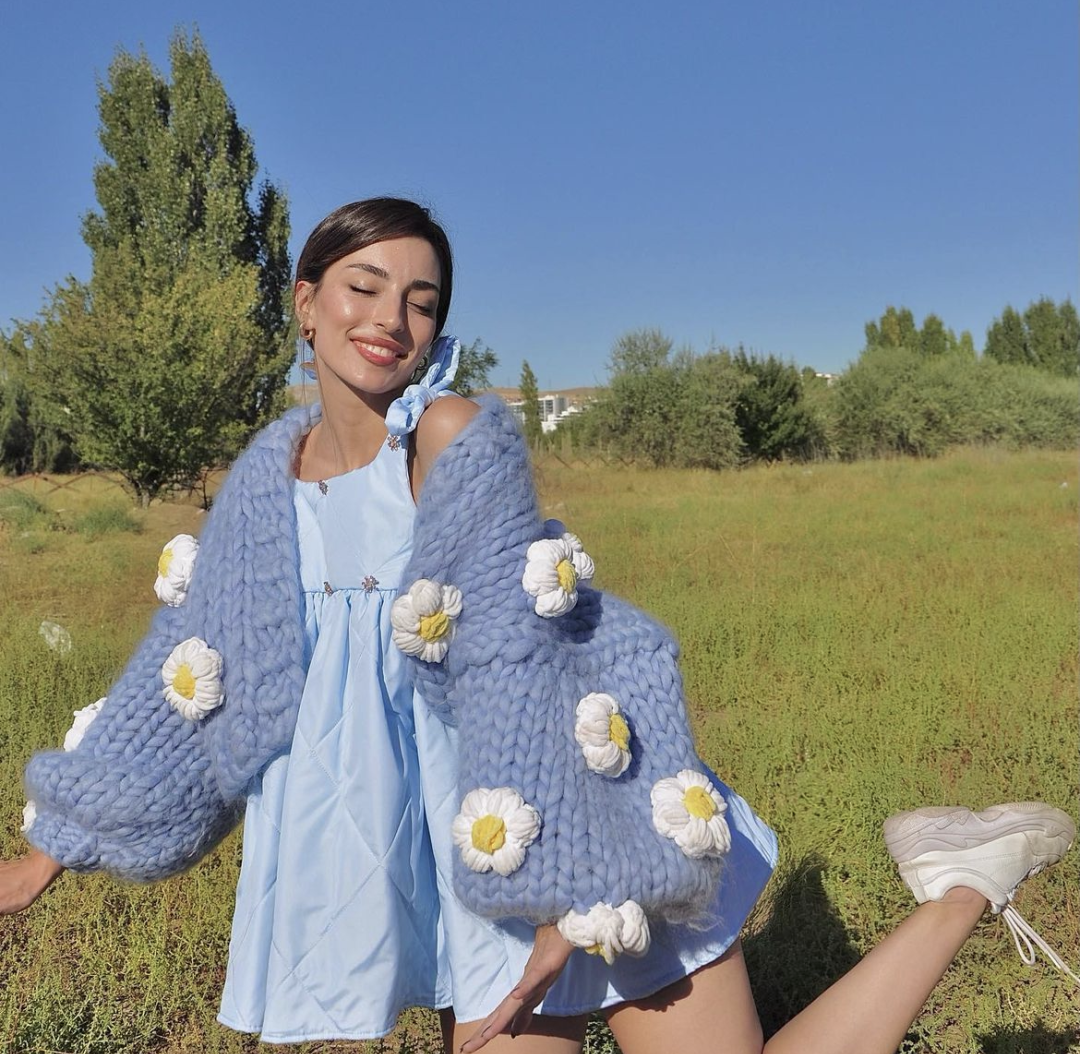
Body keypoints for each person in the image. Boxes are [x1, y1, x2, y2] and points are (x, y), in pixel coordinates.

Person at [2, 198, 1076, 1054]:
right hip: (458, 871)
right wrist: (51, 854)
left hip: (572, 825)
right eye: (364, 286)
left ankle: (962, 885)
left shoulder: (448, 436)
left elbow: (521, 656)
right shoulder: (265, 483)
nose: (390, 318)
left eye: (421, 301)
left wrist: (565, 896)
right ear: (307, 303)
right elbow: (196, 673)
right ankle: (963, 875)